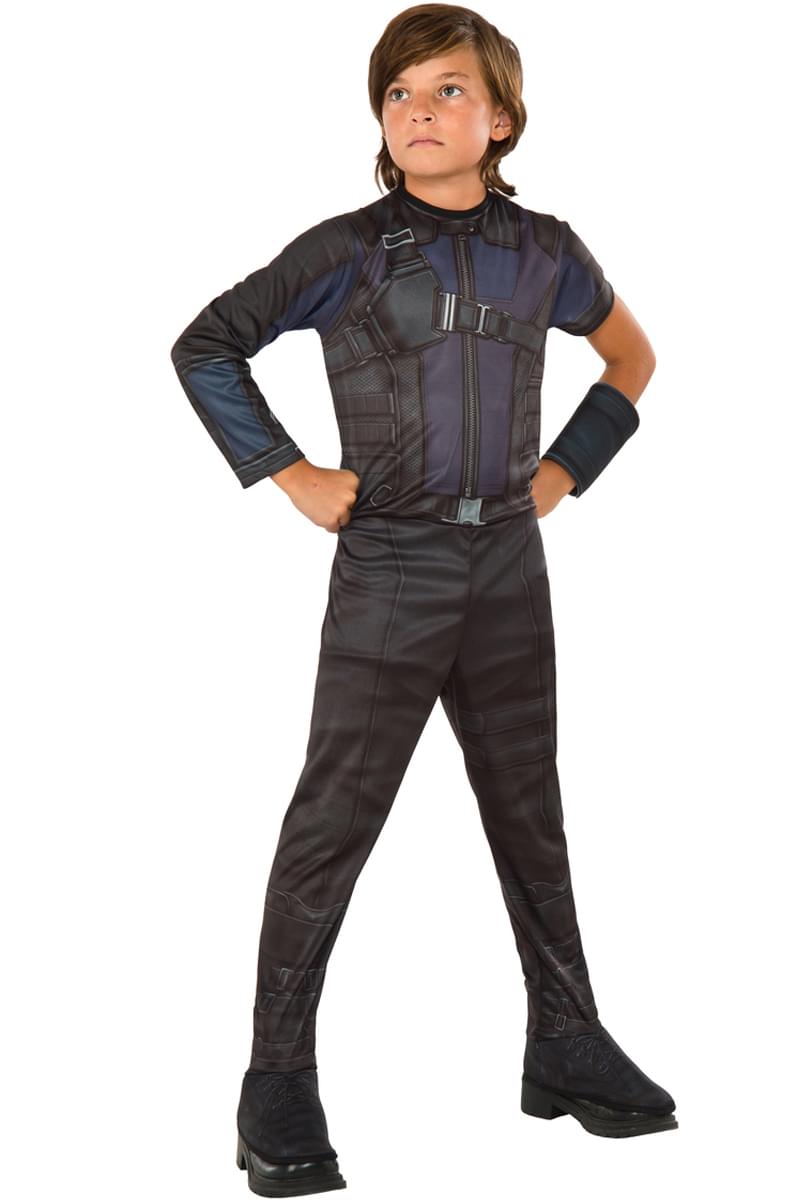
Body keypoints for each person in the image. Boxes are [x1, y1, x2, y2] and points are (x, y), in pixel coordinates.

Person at [170, 4, 677, 1194]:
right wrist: (289, 472)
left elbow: (633, 359)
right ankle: (275, 1079)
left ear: (499, 118)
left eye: (447, 90)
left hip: (507, 568)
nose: (418, 112)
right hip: (390, 570)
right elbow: (205, 345)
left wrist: (563, 472)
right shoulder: (344, 251)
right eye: (398, 93)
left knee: (530, 813)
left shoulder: (545, 251)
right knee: (331, 826)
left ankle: (566, 1041)